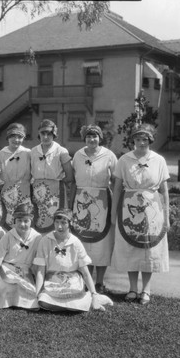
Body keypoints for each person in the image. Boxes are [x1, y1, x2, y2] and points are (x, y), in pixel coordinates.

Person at [110, 124, 170, 305]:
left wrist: (166, 218)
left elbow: (164, 192)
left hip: (152, 209)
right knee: (130, 248)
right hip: (129, 207)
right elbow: (117, 188)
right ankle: (132, 288)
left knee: (149, 249)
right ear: (133, 141)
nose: (141, 142)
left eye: (145, 139)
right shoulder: (124, 160)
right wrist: (113, 213)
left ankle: (146, 289)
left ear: (150, 140)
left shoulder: (159, 160)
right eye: (137, 139)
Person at [69, 125, 117, 294]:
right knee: (83, 241)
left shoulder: (109, 155)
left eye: (95, 136)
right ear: (84, 139)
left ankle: (99, 282)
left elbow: (117, 180)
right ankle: (85, 279)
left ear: (100, 138)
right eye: (88, 136)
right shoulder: (78, 155)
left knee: (102, 243)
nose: (92, 139)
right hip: (81, 200)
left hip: (102, 201)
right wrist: (70, 204)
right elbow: (74, 181)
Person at [33, 209, 112, 312]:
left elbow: (85, 273)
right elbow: (40, 272)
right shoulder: (45, 241)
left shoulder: (76, 243)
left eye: (63, 223)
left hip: (72, 281)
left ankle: (93, 298)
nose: (59, 226)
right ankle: (70, 305)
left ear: (70, 224)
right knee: (43, 302)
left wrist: (94, 293)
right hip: (53, 281)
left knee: (78, 306)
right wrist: (37, 294)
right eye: (57, 222)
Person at [0, 204, 41, 310]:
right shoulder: (8, 236)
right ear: (14, 220)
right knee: (8, 287)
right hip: (6, 271)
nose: (22, 224)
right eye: (19, 220)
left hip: (24, 273)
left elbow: (39, 265)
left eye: (26, 221)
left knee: (28, 292)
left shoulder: (37, 238)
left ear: (31, 220)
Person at [30, 119, 74, 233]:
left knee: (56, 216)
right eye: (42, 134)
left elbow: (69, 175)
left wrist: (56, 185)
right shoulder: (33, 152)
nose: (45, 137)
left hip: (55, 189)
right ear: (39, 134)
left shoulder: (61, 151)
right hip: (38, 189)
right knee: (39, 217)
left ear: (54, 135)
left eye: (49, 134)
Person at [0, 123, 32, 230]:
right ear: (8, 137)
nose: (16, 140)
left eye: (20, 137)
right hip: (7, 194)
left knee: (24, 222)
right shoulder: (0, 155)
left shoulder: (28, 153)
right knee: (7, 223)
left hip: (24, 192)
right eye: (13, 136)